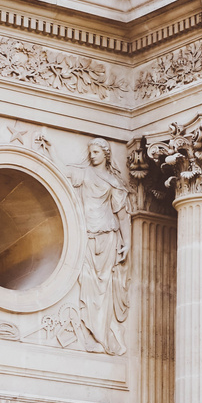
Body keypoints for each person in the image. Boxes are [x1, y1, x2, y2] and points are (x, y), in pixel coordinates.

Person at [67, 138, 131, 355]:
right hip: (87, 236)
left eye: (96, 152)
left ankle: (104, 337)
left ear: (105, 154)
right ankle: (90, 333)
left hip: (108, 237)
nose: (92, 155)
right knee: (88, 286)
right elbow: (60, 171)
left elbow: (122, 216)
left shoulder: (114, 182)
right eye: (90, 152)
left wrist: (128, 242)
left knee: (104, 290)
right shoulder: (84, 174)